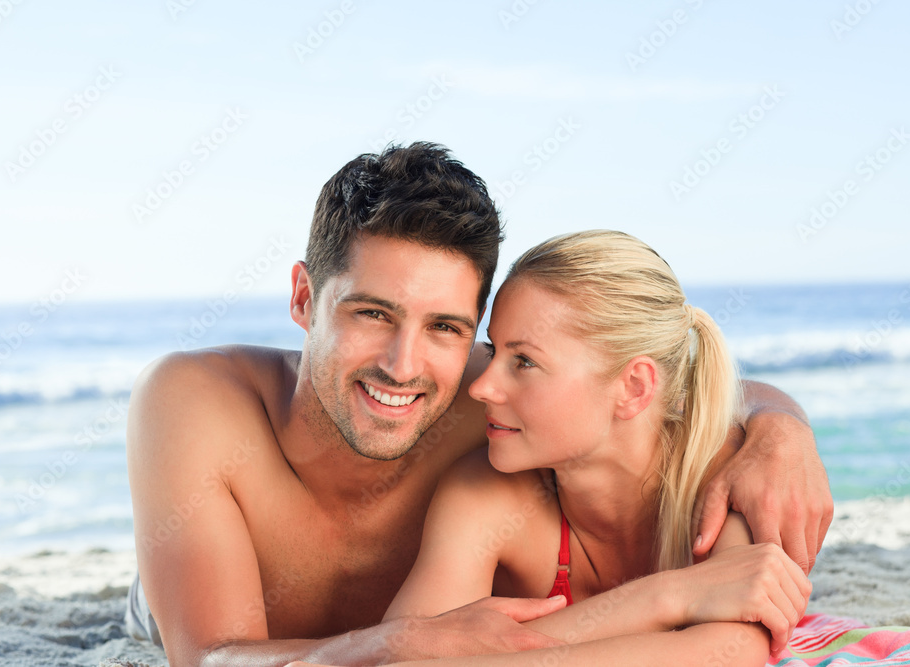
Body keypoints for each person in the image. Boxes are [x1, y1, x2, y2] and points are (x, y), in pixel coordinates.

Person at [125, 143, 832, 667]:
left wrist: (779, 428)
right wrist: (403, 640)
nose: (404, 365)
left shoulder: (490, 399)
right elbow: (211, 658)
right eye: (372, 312)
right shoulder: (198, 403)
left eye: (446, 328)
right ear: (305, 298)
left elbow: (663, 390)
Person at [379, 230, 810, 666]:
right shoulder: (483, 493)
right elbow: (399, 658)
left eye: (524, 361)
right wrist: (665, 597)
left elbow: (730, 654)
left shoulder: (723, 476)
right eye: (492, 352)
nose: (482, 387)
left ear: (634, 387)